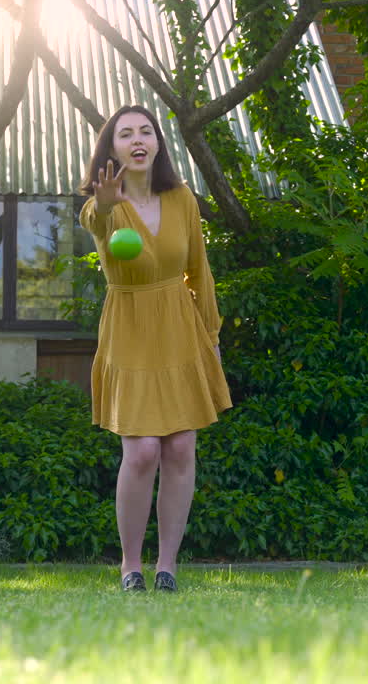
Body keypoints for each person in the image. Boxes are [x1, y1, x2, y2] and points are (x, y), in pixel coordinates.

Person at [78, 105, 231, 593]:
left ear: (159, 144)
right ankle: (130, 565)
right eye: (126, 134)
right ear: (113, 149)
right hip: (130, 327)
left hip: (179, 326)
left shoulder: (182, 198)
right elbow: (95, 223)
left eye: (146, 131)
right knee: (142, 451)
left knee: (181, 445)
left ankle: (167, 566)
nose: (138, 140)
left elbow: (199, 271)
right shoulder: (102, 203)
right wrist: (105, 204)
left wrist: (212, 335)